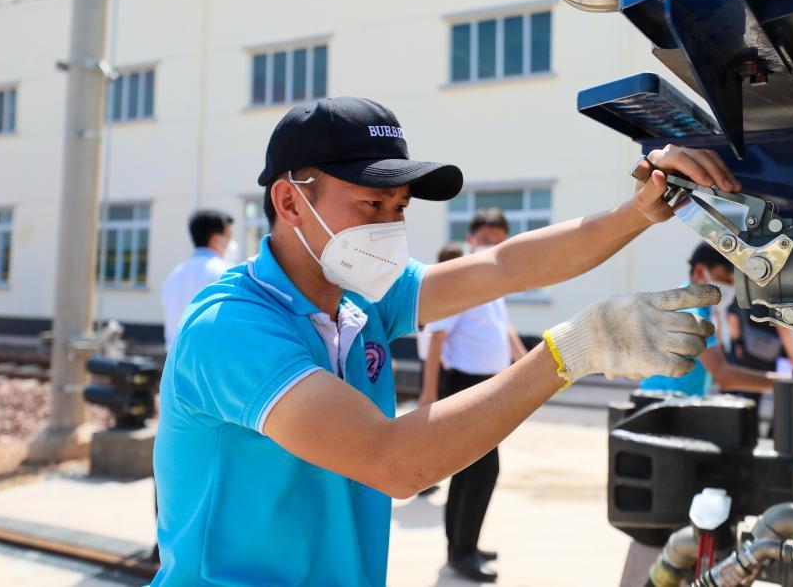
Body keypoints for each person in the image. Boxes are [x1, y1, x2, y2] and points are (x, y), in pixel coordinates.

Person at [152, 96, 737, 586]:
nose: (390, 224)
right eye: (370, 203)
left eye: (399, 207)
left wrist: (638, 211)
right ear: (289, 202)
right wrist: (572, 351)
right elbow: (393, 462)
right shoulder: (232, 328)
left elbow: (505, 266)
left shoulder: (357, 297)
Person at [418, 209, 528, 582]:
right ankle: (460, 553)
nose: (493, 246)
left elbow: (504, 327)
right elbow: (436, 336)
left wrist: (524, 363)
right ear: (471, 238)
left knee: (477, 472)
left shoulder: (495, 277)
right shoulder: (463, 276)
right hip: (464, 386)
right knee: (476, 472)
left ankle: (466, 544)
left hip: (489, 385)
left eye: (500, 240)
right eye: (486, 239)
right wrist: (429, 393)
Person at [641, 244, 777, 396]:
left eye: (733, 283)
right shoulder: (693, 312)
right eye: (725, 279)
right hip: (662, 403)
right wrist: (784, 383)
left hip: (673, 400)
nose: (730, 288)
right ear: (700, 272)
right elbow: (722, 374)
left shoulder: (699, 305)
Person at [413, 241, 464, 500]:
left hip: (435, 363)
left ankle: (426, 479)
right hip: (436, 365)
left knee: (434, 428)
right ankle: (423, 480)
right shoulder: (444, 290)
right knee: (433, 428)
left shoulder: (432, 285)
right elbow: (437, 340)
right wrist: (428, 390)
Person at [159, 210, 238, 348]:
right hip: (209, 359)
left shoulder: (174, 274)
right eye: (229, 237)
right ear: (216, 239)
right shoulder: (226, 273)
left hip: (173, 359)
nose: (231, 243)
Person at [726, 298, 793, 408]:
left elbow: (733, 319)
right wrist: (792, 355)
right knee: (780, 395)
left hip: (748, 351)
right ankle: (776, 425)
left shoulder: (742, 292)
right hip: (772, 354)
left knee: (749, 394)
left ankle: (748, 424)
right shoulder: (776, 294)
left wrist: (738, 343)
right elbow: (782, 328)